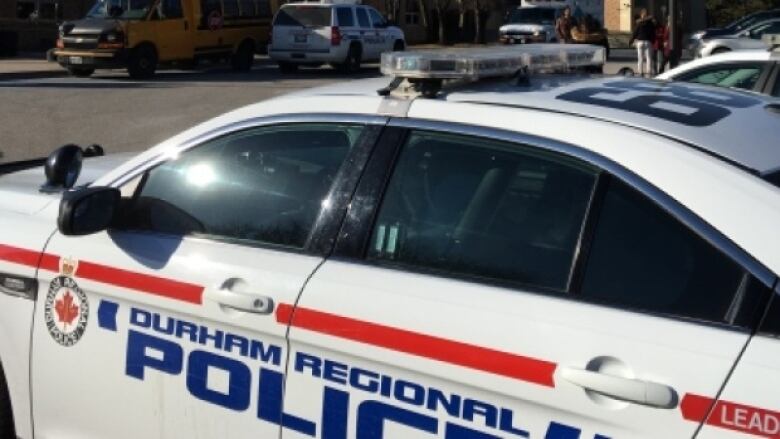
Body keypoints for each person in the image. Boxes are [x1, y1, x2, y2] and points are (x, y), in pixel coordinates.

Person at [629, 8, 656, 77]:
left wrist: (631, 41)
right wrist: (653, 41)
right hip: (648, 42)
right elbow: (653, 33)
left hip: (640, 42)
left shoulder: (639, 23)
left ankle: (640, 72)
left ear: (641, 15)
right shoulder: (650, 23)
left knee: (640, 58)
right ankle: (649, 72)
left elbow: (635, 33)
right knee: (649, 58)